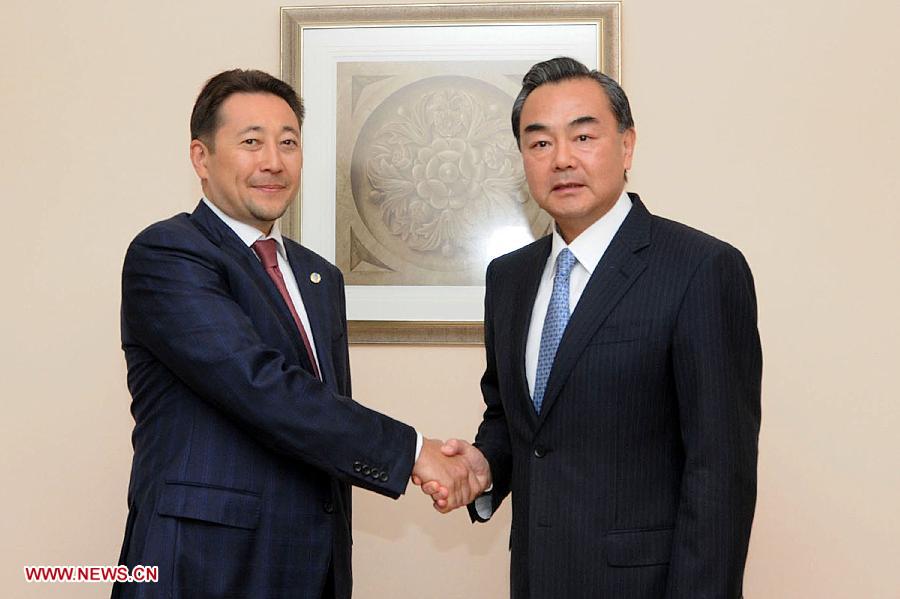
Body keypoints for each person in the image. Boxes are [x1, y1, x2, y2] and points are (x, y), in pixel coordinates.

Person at [112, 69, 478, 599]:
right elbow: (260, 386)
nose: (273, 162)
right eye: (251, 142)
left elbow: (320, 414)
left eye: (288, 143)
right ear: (201, 157)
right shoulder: (169, 254)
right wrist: (413, 451)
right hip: (200, 566)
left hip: (308, 565)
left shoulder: (318, 277)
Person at [423, 57, 762, 598]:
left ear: (626, 146)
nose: (561, 159)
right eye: (539, 143)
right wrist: (484, 466)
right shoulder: (508, 277)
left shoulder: (700, 268)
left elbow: (720, 472)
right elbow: (515, 418)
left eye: (583, 136)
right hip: (536, 579)